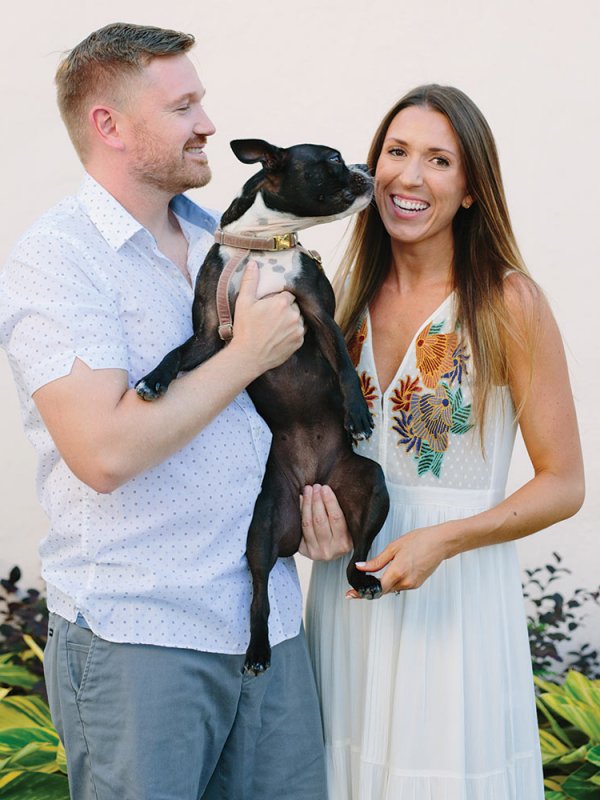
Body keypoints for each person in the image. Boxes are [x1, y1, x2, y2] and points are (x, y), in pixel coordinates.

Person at [0, 22, 349, 800]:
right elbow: (104, 453)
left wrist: (320, 510)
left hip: (267, 627)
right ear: (110, 125)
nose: (208, 124)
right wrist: (244, 354)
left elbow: (282, 413)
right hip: (141, 641)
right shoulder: (58, 259)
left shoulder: (225, 240)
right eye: (183, 106)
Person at [304, 85, 585, 800]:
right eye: (396, 152)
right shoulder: (344, 296)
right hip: (348, 596)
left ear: (471, 189)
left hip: (454, 605)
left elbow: (563, 483)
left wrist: (445, 539)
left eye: (439, 160)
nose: (409, 176)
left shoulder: (508, 303)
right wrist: (312, 517)